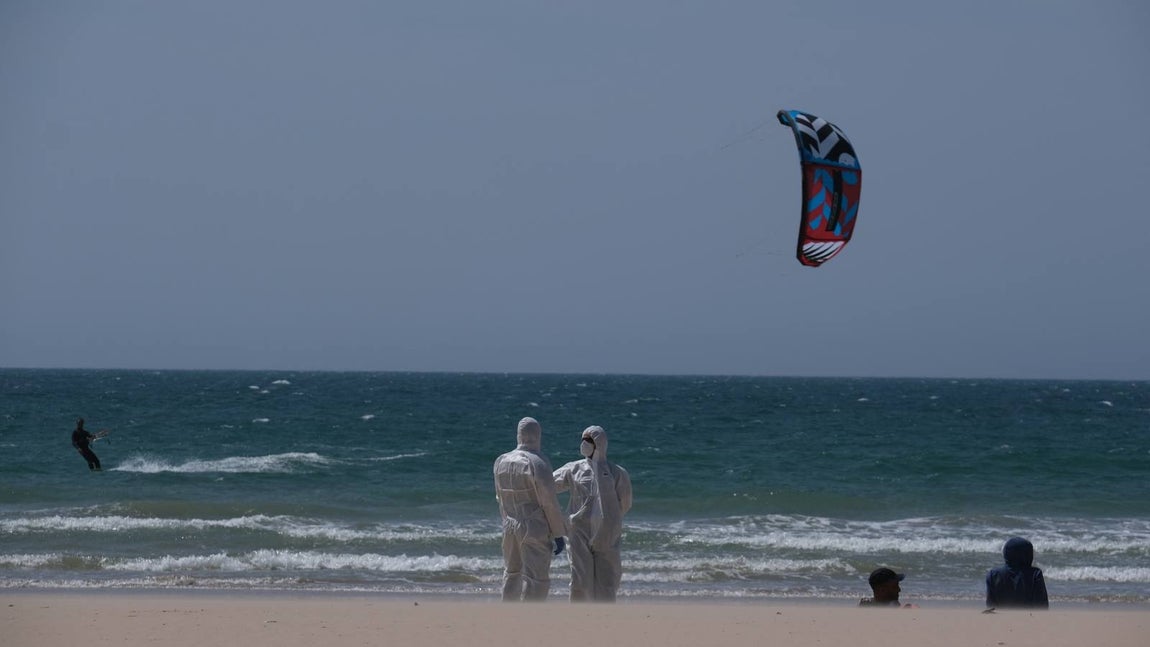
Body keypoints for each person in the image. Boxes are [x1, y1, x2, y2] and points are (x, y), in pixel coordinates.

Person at [552, 425, 633, 602]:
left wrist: (610, 520)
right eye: (583, 440)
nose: (584, 444)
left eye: (589, 441)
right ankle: (580, 616)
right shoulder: (573, 469)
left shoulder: (616, 472)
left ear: (599, 444)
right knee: (580, 577)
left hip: (606, 533)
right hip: (578, 531)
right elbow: (549, 485)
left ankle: (604, 616)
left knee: (608, 578)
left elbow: (625, 502)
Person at [493, 417, 568, 602]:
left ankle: (508, 616)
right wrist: (558, 532)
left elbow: (500, 498)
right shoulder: (538, 462)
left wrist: (506, 522)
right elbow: (549, 502)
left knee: (511, 574)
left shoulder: (501, 461)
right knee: (537, 579)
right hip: (533, 526)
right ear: (537, 435)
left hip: (509, 524)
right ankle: (530, 618)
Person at [986, 536, 1049, 609]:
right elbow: (1042, 606)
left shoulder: (993, 575)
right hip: (1029, 618)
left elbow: (990, 607)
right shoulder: (1035, 574)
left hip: (1001, 619)